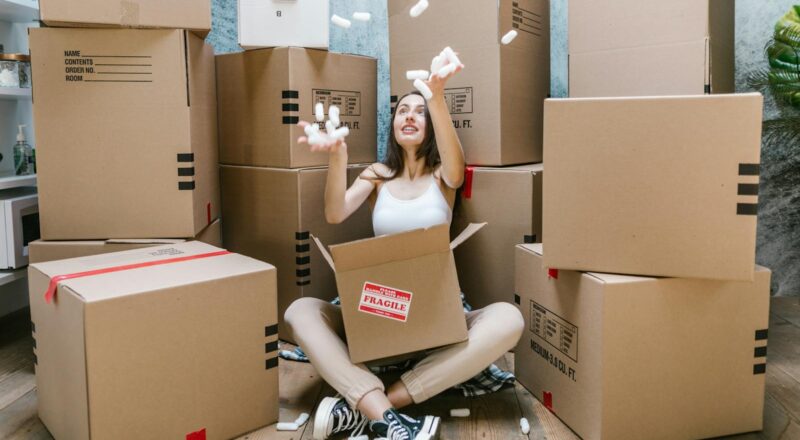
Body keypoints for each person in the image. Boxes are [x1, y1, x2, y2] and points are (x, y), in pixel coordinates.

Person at [284, 61, 525, 440]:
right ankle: (383, 414)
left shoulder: (443, 176)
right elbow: (335, 212)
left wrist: (437, 96)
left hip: (434, 313)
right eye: (402, 111)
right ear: (393, 124)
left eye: (420, 112)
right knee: (300, 310)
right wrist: (337, 155)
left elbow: (457, 172)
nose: (409, 116)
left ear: (431, 126)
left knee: (509, 319)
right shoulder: (377, 176)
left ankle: (378, 408)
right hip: (378, 310)